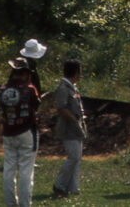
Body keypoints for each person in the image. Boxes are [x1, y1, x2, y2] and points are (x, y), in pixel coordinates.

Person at [0, 57, 41, 207]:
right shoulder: (30, 89)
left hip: (8, 132)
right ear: (25, 73)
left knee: (9, 168)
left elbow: (1, 109)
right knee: (26, 171)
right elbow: (36, 106)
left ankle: (10, 203)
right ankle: (24, 203)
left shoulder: (2, 90)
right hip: (26, 131)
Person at [52, 59, 87, 198]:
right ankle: (59, 184)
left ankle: (73, 187)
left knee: (77, 158)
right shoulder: (63, 88)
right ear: (76, 72)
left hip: (77, 126)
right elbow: (61, 108)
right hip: (69, 128)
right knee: (73, 157)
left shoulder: (73, 87)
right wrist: (74, 120)